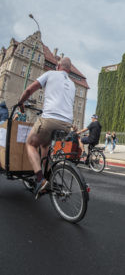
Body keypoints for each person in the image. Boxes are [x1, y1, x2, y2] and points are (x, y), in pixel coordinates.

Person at [17, 57, 75, 199]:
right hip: (67, 125)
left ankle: (40, 179)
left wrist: (21, 103)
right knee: (45, 145)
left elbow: (30, 90)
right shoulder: (73, 84)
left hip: (49, 120)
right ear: (69, 69)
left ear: (58, 66)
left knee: (30, 144)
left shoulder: (50, 74)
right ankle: (48, 176)